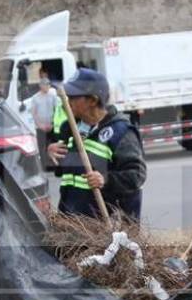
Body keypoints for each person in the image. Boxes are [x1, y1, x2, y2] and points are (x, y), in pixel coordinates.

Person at [46, 69, 145, 219]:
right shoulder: (70, 128)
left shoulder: (121, 132)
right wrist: (53, 155)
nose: (67, 101)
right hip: (71, 221)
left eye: (73, 97)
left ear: (92, 100)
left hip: (104, 224)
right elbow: (66, 172)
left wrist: (105, 179)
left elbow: (137, 175)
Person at [27, 77, 60, 168]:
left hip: (52, 125)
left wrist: (53, 124)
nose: (47, 87)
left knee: (53, 144)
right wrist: (40, 125)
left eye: (48, 85)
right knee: (42, 146)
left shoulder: (53, 96)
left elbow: (57, 110)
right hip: (40, 127)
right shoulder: (35, 98)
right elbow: (34, 113)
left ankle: (55, 163)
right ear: (41, 86)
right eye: (45, 85)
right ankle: (45, 165)